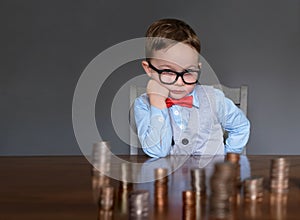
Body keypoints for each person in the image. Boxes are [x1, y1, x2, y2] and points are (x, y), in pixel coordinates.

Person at [134, 18, 250, 158]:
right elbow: (157, 151)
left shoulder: (215, 98)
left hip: (211, 178)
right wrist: (157, 103)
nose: (179, 82)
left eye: (188, 72)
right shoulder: (143, 105)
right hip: (169, 178)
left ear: (198, 68)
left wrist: (226, 158)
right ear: (149, 69)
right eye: (168, 72)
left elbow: (241, 126)